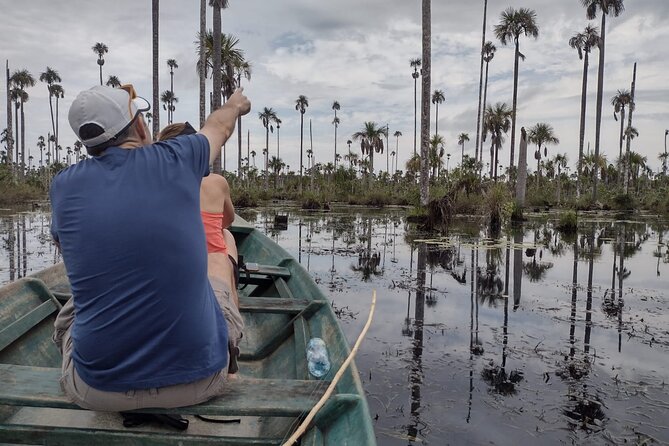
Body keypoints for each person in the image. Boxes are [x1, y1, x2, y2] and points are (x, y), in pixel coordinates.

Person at [50, 83, 251, 412]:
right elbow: (219, 126)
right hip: (200, 383)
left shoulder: (63, 185)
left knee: (73, 306)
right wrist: (235, 104)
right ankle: (231, 362)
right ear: (141, 125)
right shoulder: (178, 158)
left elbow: (64, 245)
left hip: (96, 391)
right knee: (217, 267)